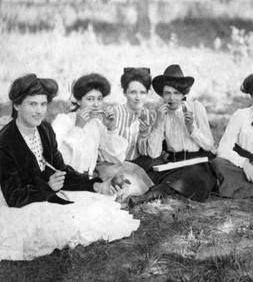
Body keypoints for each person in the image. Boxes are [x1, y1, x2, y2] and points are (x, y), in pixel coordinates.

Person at [0, 74, 139, 261]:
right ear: (17, 106)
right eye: (32, 104)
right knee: (53, 221)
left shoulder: (44, 129)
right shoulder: (5, 141)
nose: (39, 111)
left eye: (43, 104)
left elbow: (61, 169)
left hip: (48, 192)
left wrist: (96, 185)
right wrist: (47, 188)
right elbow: (14, 196)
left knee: (97, 208)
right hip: (23, 200)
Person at [51, 73, 153, 205]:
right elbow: (56, 157)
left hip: (88, 179)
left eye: (99, 99)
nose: (96, 104)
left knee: (129, 178)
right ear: (78, 100)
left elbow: (115, 156)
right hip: (64, 181)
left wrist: (110, 128)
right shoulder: (63, 120)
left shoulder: (96, 124)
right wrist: (78, 126)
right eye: (90, 99)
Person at [130, 64, 216, 204]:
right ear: (162, 95)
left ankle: (148, 196)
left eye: (177, 93)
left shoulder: (196, 108)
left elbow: (209, 144)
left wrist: (192, 129)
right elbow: (153, 153)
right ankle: (153, 191)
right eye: (167, 93)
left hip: (197, 161)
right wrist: (158, 124)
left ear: (183, 94)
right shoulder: (161, 113)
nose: (172, 98)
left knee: (188, 175)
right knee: (152, 170)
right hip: (173, 162)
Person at [111, 67, 159, 172]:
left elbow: (146, 152)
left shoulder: (150, 116)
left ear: (148, 93)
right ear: (124, 92)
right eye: (133, 92)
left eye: (142, 92)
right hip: (115, 164)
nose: (138, 97)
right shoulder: (115, 112)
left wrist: (145, 133)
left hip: (138, 165)